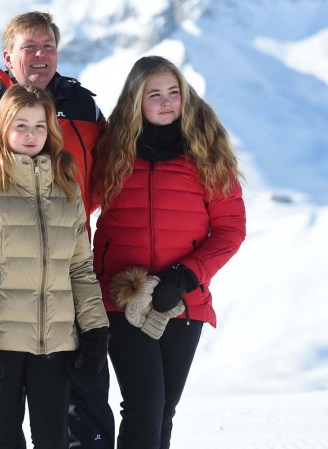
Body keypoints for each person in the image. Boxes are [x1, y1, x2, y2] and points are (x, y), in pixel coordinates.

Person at [0, 11, 115, 448]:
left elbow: (105, 177)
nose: (40, 55)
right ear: (7, 55)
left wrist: (58, 221)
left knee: (78, 425)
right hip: (2, 316)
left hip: (63, 298)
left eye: (48, 46)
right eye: (29, 47)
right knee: (1, 432)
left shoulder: (83, 107)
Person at [92, 55, 247, 449]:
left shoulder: (208, 156)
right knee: (144, 405)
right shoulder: (112, 153)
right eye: (154, 94)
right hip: (122, 296)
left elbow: (230, 230)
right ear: (136, 101)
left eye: (173, 93)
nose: (165, 102)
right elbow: (75, 208)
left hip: (183, 299)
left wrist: (185, 276)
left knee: (164, 410)